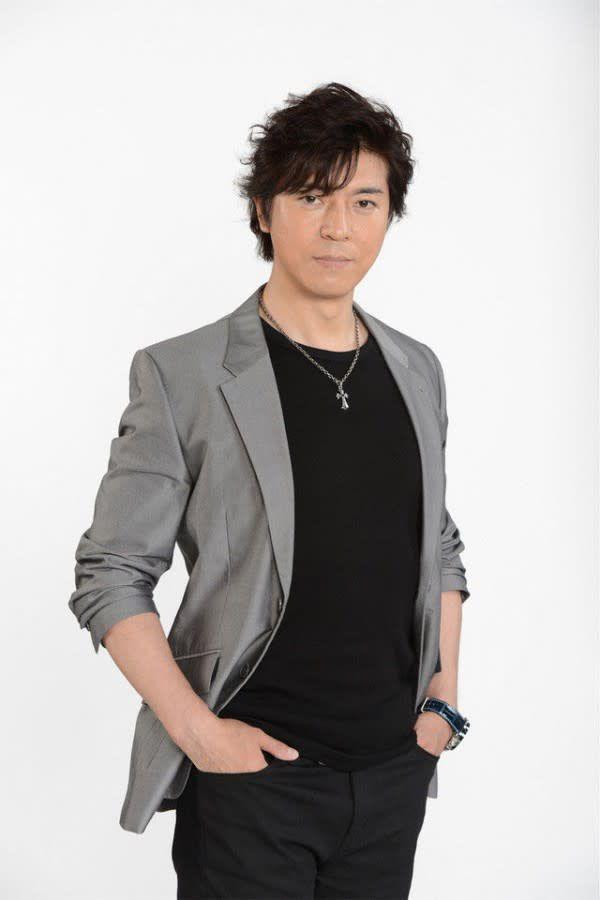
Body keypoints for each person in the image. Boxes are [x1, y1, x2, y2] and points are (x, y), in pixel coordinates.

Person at [69, 81, 471, 899]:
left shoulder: (416, 368)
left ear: (388, 215)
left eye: (364, 201)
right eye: (311, 197)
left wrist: (443, 704)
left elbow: (438, 543)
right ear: (263, 210)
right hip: (251, 785)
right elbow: (110, 572)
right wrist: (199, 734)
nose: (338, 227)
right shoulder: (183, 375)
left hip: (392, 776)